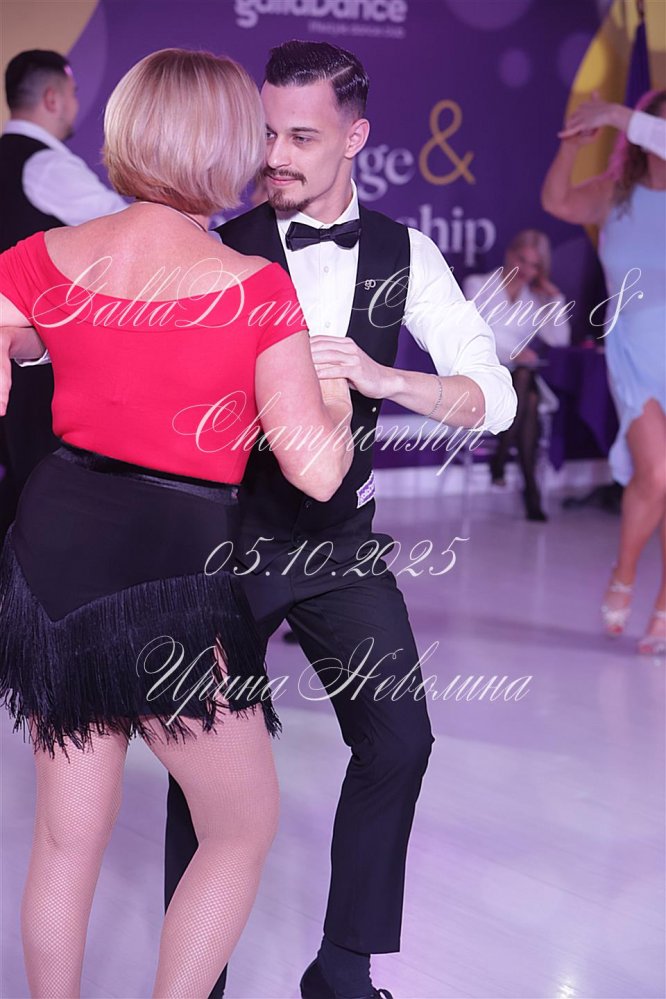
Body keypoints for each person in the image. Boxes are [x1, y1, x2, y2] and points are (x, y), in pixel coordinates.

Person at [165, 40, 517, 999]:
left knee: (400, 740)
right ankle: (195, 985)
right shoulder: (216, 246)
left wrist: (384, 377)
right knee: (205, 771)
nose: (274, 155)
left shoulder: (406, 253)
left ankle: (343, 972)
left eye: (302, 137)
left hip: (340, 546)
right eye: (266, 133)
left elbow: (493, 395)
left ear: (356, 138)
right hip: (223, 541)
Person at [0, 48, 352, 997]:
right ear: (231, 146)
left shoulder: (43, 257)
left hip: (55, 552)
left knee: (66, 837)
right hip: (171, 568)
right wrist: (334, 394)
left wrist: (25, 342)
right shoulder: (254, 287)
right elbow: (318, 471)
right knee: (240, 825)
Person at [542, 88, 666, 655]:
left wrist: (617, 114)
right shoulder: (617, 193)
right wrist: (572, 143)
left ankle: (663, 608)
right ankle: (625, 571)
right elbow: (557, 201)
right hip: (635, 349)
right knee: (656, 473)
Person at [0, 49, 127, 541]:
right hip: (35, 357)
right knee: (39, 497)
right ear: (52, 98)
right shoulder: (47, 165)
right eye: (72, 93)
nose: (75, 104)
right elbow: (125, 227)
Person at [464, 230, 571, 521]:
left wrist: (555, 298)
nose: (525, 269)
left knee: (525, 383)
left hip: (519, 378)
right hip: (484, 374)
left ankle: (502, 459)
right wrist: (512, 355)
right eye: (521, 259)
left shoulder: (536, 300)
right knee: (528, 391)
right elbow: (474, 335)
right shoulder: (477, 285)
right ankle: (529, 491)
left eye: (534, 265)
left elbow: (559, 339)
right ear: (509, 254)